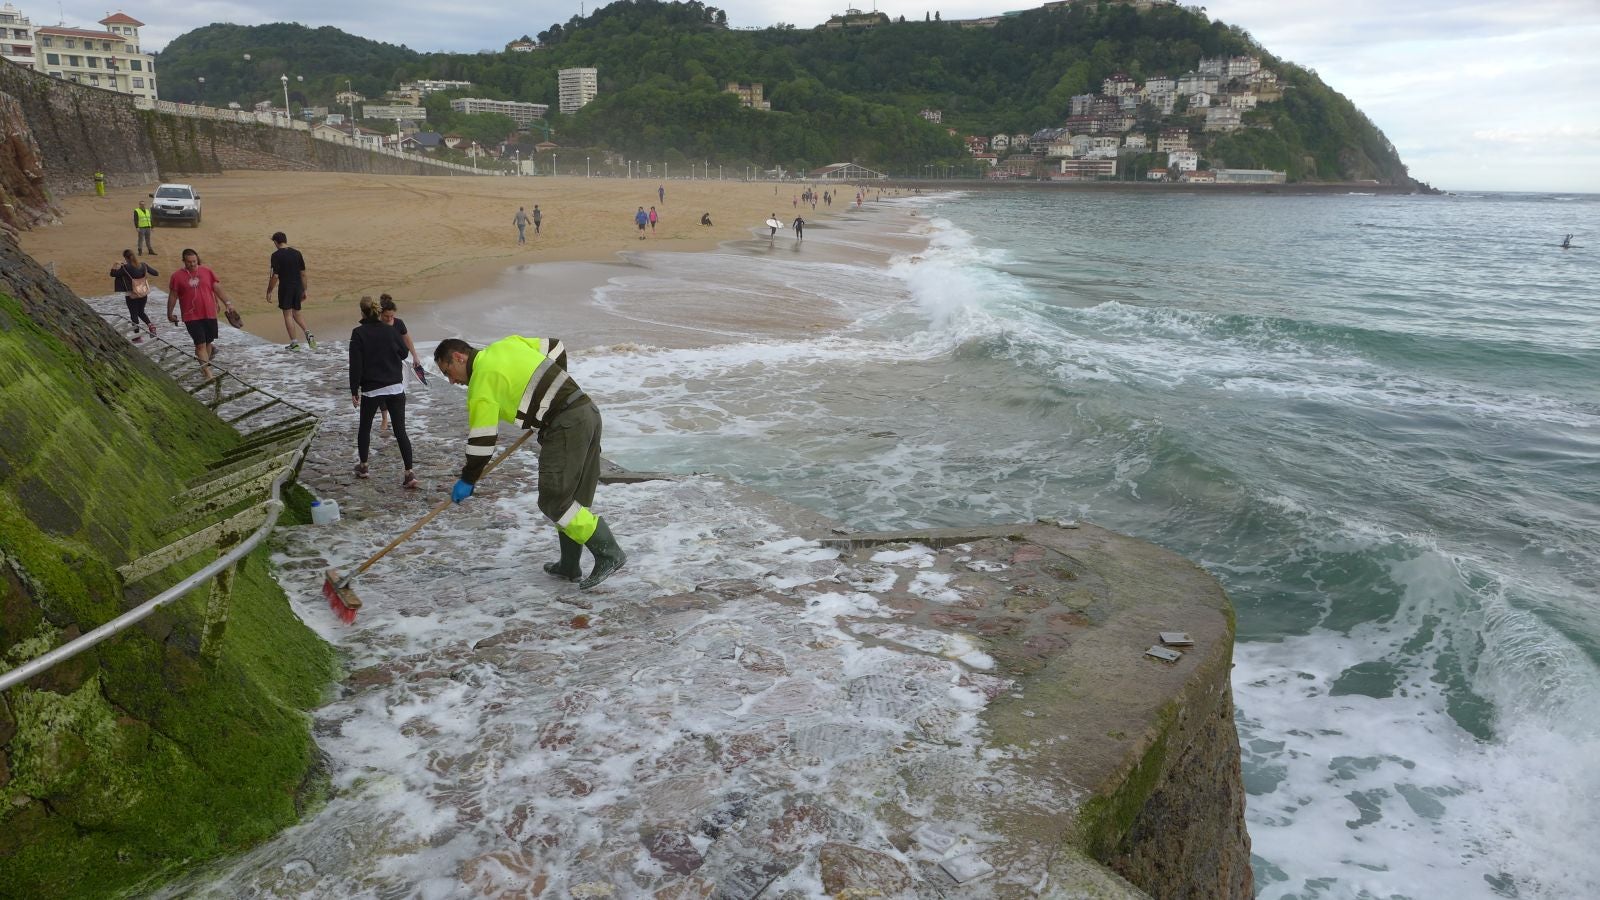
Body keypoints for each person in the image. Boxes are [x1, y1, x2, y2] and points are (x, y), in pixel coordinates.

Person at [434, 336, 626, 590]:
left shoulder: (481, 383)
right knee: (574, 499)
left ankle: (609, 553)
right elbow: (556, 347)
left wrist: (468, 479)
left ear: (459, 357)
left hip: (566, 425)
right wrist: (551, 395)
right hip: (586, 411)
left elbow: (482, 442)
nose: (452, 380)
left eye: (448, 372)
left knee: (554, 500)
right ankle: (569, 565)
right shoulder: (506, 344)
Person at [349, 296, 418, 488]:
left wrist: (354, 389)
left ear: (363, 313)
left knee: (365, 428)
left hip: (371, 389)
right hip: (395, 386)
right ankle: (409, 473)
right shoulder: (390, 331)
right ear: (378, 313)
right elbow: (403, 353)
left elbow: (355, 365)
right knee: (400, 430)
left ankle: (363, 467)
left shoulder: (358, 333)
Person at [166, 248, 235, 378]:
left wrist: (228, 303)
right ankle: (208, 373)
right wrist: (169, 313)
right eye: (189, 262)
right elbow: (173, 295)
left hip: (209, 313)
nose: (192, 264)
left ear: (197, 260)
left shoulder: (206, 271)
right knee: (200, 344)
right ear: (183, 261)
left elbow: (216, 288)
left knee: (208, 342)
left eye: (194, 261)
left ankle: (205, 366)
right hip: (191, 315)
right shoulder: (177, 276)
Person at [375, 293, 427, 434]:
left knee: (397, 389)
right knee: (381, 390)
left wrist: (415, 356)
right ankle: (384, 418)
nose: (390, 319)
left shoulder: (399, 323)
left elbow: (407, 339)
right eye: (387, 316)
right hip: (379, 363)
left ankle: (397, 418)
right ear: (380, 314)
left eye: (392, 316)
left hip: (396, 362)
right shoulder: (375, 324)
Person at [266, 231, 315, 351]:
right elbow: (303, 273)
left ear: (276, 242)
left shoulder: (276, 255)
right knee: (296, 312)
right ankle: (308, 333)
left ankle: (294, 343)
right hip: (297, 286)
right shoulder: (297, 253)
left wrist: (269, 291)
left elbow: (275, 276)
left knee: (287, 314)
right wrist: (305, 290)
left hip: (286, 287)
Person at [111, 249, 157, 343]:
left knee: (134, 314)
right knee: (141, 312)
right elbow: (156, 273)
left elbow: (113, 274)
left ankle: (137, 336)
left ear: (125, 258)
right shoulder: (143, 265)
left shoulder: (126, 268)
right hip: (143, 292)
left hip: (132, 294)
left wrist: (115, 264)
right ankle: (151, 326)